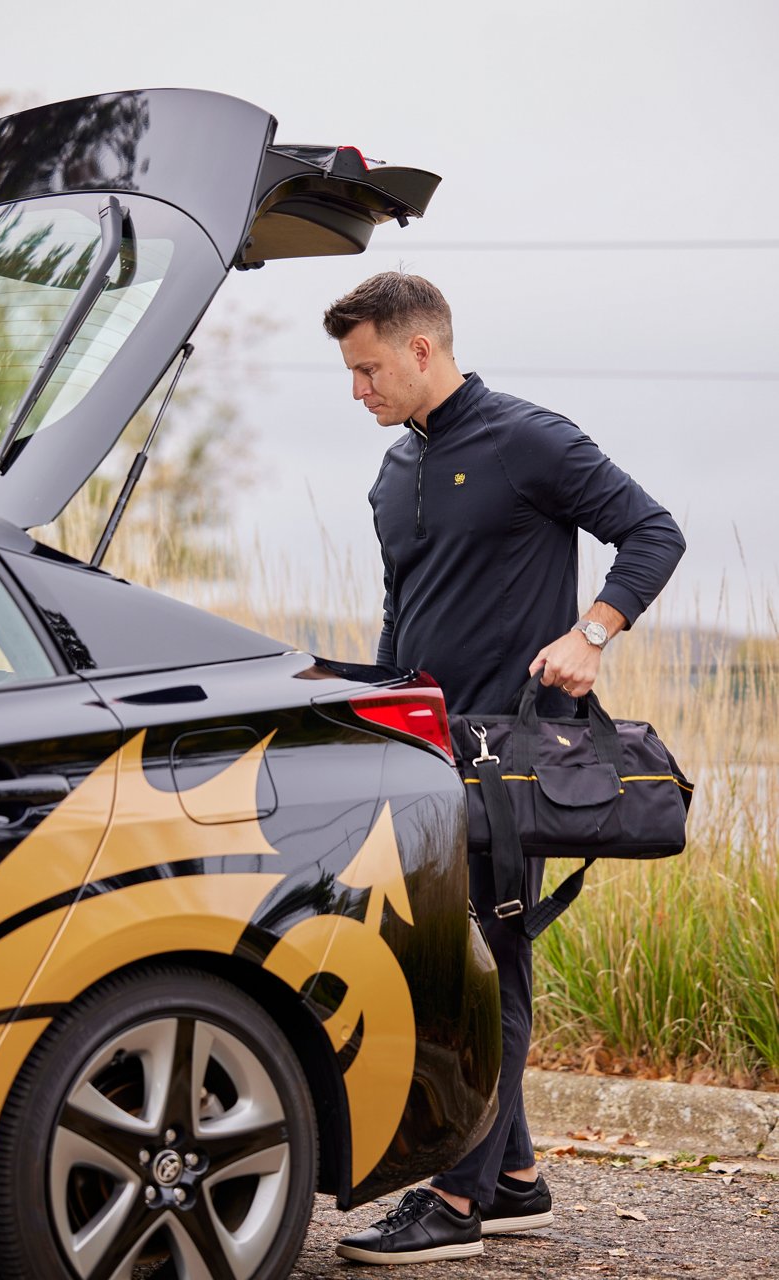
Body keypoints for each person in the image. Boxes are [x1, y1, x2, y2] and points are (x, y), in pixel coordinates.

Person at [322, 272, 685, 1265]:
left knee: (485, 963)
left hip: (510, 759)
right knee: (445, 953)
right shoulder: (391, 472)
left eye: (366, 368)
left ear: (421, 349)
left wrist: (591, 630)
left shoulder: (529, 439)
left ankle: (456, 1195)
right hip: (421, 751)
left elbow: (652, 530)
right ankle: (513, 1172)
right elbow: (404, 612)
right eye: (348, 372)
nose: (357, 389)